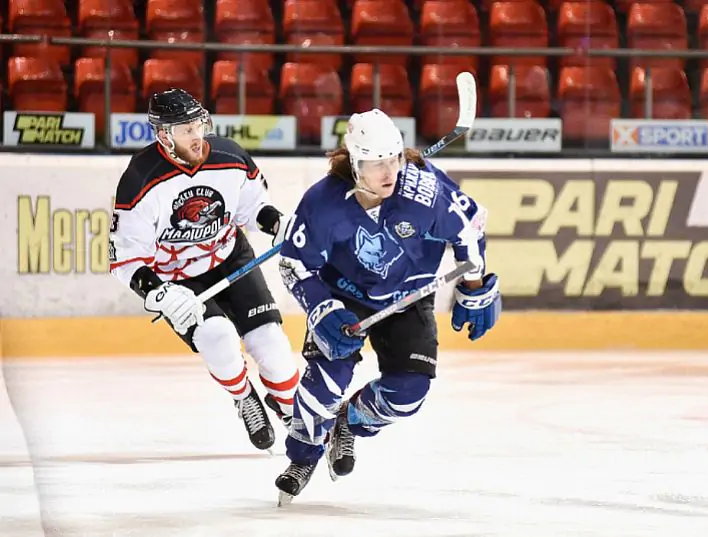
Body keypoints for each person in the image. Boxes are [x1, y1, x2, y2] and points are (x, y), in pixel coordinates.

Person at [273, 108, 502, 503]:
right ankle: (303, 456)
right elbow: (294, 264)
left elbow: (468, 227)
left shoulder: (425, 193)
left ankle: (348, 421)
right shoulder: (323, 203)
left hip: (407, 299)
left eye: (393, 159)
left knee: (409, 393)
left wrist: (475, 284)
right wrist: (321, 309)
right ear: (355, 162)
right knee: (321, 389)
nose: (388, 172)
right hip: (343, 297)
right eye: (376, 163)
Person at [108, 88, 300, 451]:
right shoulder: (139, 181)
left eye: (198, 123)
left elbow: (254, 207)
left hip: (229, 256)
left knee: (272, 345)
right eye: (186, 129)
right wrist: (159, 292)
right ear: (164, 135)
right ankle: (245, 397)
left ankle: (289, 407)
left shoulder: (230, 157)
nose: (197, 135)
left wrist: (278, 224)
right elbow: (126, 258)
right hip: (178, 278)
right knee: (218, 338)